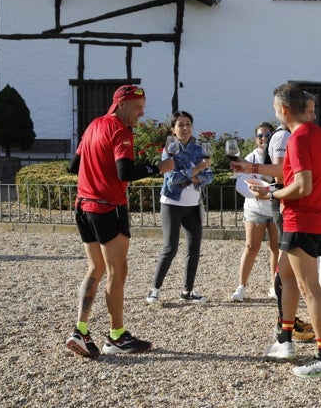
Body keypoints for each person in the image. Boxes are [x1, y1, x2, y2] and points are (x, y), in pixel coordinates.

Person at [65, 85, 174, 357]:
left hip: (84, 207)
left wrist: (98, 172)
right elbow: (125, 172)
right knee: (117, 271)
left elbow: (74, 166)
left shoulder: (93, 125)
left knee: (96, 269)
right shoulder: (120, 130)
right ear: (122, 104)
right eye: (138, 106)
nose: (142, 112)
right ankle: (116, 336)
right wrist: (158, 168)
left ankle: (80, 330)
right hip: (108, 208)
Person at [251, 83, 321, 378]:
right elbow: (307, 179)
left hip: (301, 219)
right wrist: (277, 188)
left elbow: (302, 186)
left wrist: (271, 194)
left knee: (309, 288)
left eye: (274, 107)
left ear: (283, 109)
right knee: (285, 276)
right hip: (312, 219)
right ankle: (284, 340)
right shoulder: (318, 134)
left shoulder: (297, 138)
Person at [231, 94, 316, 342]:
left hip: (281, 203)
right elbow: (283, 175)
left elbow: (293, 177)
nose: (312, 115)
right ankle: (285, 323)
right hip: (275, 204)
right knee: (274, 261)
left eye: (313, 110)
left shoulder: (303, 135)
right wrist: (263, 186)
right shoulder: (283, 136)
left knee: (283, 263)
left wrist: (267, 188)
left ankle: (286, 324)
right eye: (309, 110)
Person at [145, 111, 213, 305]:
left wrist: (193, 176)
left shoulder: (200, 148)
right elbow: (172, 178)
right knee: (170, 248)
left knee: (194, 248)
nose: (185, 128)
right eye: (181, 124)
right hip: (172, 205)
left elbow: (211, 176)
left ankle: (187, 291)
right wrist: (198, 169)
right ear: (173, 129)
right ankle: (154, 290)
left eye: (188, 124)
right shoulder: (170, 149)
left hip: (193, 206)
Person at [230, 122, 280, 302]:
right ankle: (241, 286)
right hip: (255, 208)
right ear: (255, 139)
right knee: (251, 247)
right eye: (260, 136)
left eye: (267, 135)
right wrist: (256, 195)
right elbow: (240, 185)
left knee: (276, 248)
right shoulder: (249, 158)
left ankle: (275, 285)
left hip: (275, 207)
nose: (264, 139)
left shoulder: (277, 157)